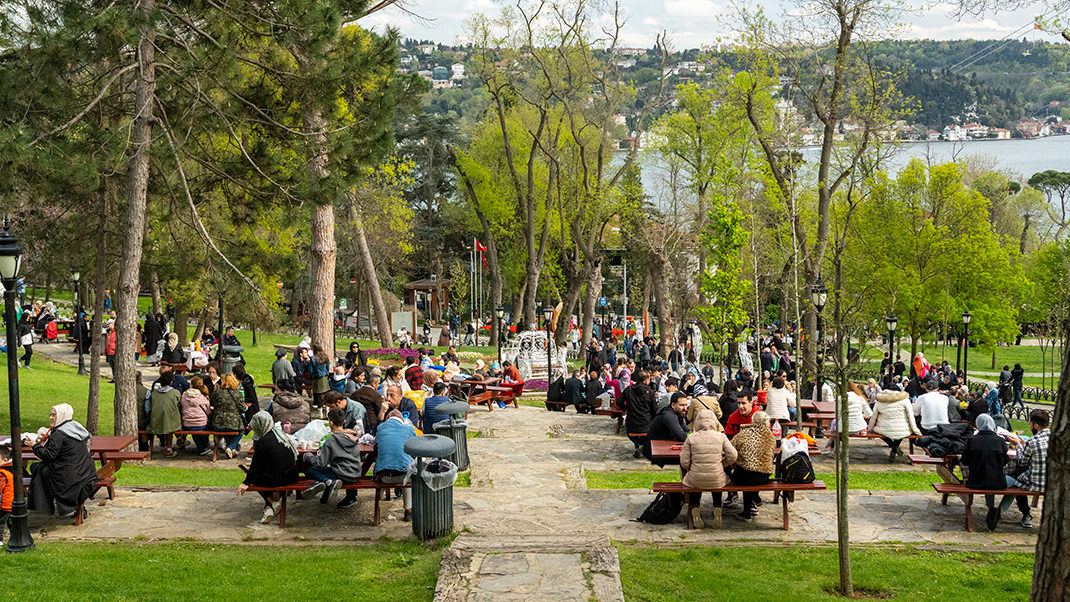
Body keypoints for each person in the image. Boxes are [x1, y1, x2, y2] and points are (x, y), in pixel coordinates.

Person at [26, 404, 98, 519]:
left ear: (62, 416)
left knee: (38, 469)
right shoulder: (74, 427)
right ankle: (45, 504)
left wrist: (34, 445)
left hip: (70, 479)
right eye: (50, 414)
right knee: (38, 468)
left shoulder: (59, 434)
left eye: (54, 415)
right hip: (86, 473)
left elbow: (49, 455)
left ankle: (42, 505)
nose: (51, 418)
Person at [237, 411, 299, 524]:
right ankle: (270, 505)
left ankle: (270, 504)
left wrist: (245, 483)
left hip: (278, 478)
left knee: (254, 478)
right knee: (261, 475)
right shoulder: (281, 435)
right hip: (292, 475)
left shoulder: (262, 442)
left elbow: (255, 467)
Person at [680, 409, 738, 529]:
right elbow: (733, 455)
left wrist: (693, 467)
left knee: (696, 482)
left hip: (696, 478)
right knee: (717, 480)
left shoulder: (691, 438)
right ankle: (717, 507)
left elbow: (684, 461)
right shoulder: (721, 436)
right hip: (716, 477)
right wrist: (722, 464)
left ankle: (695, 507)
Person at [302, 407, 366, 509]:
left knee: (310, 470)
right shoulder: (353, 437)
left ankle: (327, 481)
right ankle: (350, 497)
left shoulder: (331, 441)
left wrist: (308, 455)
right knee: (344, 465)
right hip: (355, 473)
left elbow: (320, 462)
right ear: (343, 421)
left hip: (342, 475)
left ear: (331, 423)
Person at [999, 409, 1051, 529]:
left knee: (1017, 480)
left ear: (1036, 426)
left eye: (1030, 424)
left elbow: (1022, 462)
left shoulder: (1033, 441)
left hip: (1036, 484)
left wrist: (1018, 445)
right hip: (1053, 482)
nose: (1030, 426)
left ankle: (1026, 514)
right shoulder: (1058, 439)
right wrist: (1024, 444)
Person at [960, 413, 1010, 531]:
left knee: (987, 476)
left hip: (975, 480)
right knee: (1018, 485)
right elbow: (1005, 461)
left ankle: (991, 508)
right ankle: (999, 510)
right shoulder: (1000, 441)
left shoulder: (972, 440)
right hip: (997, 482)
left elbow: (965, 461)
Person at [730, 410, 775, 521]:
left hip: (744, 477)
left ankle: (746, 513)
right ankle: (755, 497)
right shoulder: (771, 437)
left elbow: (731, 450)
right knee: (753, 471)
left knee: (745, 471)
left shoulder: (743, 434)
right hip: (764, 477)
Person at [374, 408, 416, 521]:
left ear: (388, 419)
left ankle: (381, 496)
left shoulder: (380, 428)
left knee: (385, 463)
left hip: (384, 477)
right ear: (402, 420)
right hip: (404, 477)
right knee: (409, 471)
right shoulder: (409, 429)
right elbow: (414, 452)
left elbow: (375, 448)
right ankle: (408, 510)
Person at [868, 390, 921, 462]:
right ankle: (895, 447)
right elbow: (910, 416)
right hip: (902, 428)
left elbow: (874, 417)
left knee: (878, 431)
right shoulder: (905, 401)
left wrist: (870, 429)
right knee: (900, 431)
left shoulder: (879, 402)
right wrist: (915, 430)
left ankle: (894, 447)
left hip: (884, 429)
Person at [619, 370, 657, 458]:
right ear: (646, 380)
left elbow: (619, 402)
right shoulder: (650, 393)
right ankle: (642, 445)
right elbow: (655, 409)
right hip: (646, 423)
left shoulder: (628, 390)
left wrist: (625, 409)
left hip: (632, 423)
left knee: (631, 430)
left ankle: (638, 445)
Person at [643, 393, 690, 464]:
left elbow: (686, 431)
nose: (685, 408)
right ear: (673, 405)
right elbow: (681, 436)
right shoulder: (669, 416)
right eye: (681, 405)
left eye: (686, 405)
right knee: (692, 458)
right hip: (656, 452)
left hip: (663, 446)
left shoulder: (677, 413)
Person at [210, 374, 247, 458]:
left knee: (226, 429)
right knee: (240, 432)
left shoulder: (217, 393)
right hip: (233, 423)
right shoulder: (238, 394)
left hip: (217, 424)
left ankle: (231, 449)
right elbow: (243, 409)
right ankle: (230, 447)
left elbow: (212, 403)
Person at [149, 371, 183, 457]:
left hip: (155, 421)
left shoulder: (154, 393)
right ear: (171, 382)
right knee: (173, 421)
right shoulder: (175, 393)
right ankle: (171, 446)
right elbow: (179, 406)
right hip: (170, 423)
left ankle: (177, 440)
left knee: (169, 420)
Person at [180, 375, 212, 455]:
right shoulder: (203, 397)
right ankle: (204, 446)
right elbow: (208, 411)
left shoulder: (184, 396)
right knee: (203, 427)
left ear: (191, 385)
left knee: (194, 429)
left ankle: (201, 447)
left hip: (187, 423)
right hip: (201, 423)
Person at [0, 444, 12, 542]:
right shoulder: (11, 470)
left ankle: (0, 541)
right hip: (11, 503)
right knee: (11, 522)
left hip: (4, 503)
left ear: (4, 460)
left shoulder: (2, 473)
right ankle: (14, 538)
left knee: (0, 522)